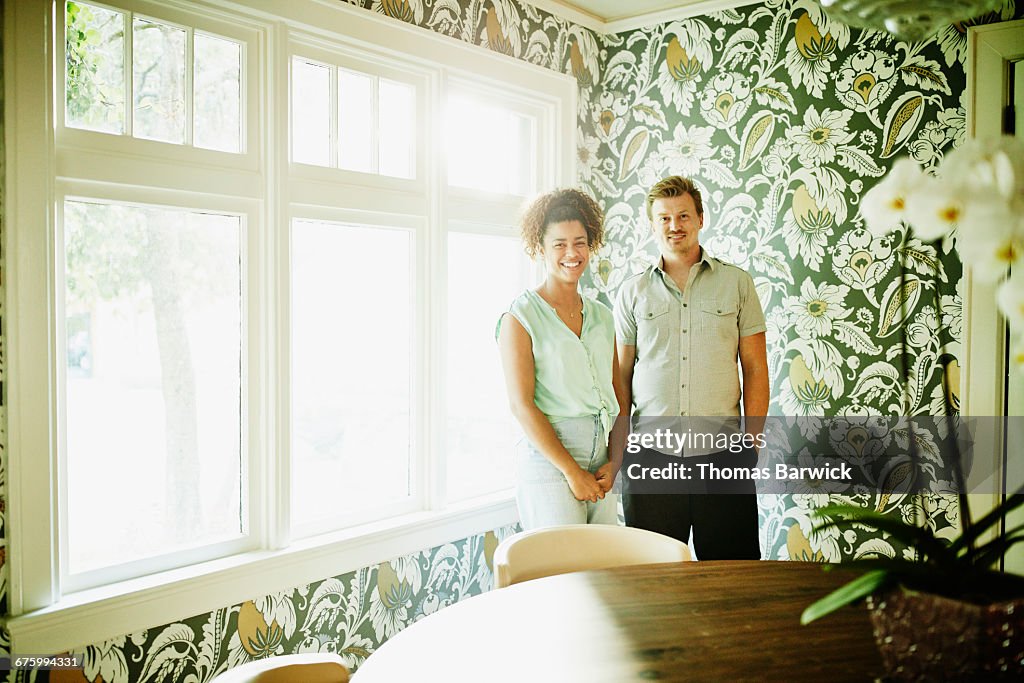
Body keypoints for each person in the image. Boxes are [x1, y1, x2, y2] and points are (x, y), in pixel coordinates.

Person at [614, 176, 769, 559]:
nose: (674, 225)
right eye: (664, 218)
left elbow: (755, 366)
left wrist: (752, 440)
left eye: (683, 215)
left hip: (723, 456)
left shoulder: (737, 283)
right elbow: (621, 375)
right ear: (653, 225)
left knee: (733, 576)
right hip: (651, 459)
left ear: (701, 218)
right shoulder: (631, 292)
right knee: (653, 580)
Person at [497, 188, 629, 530]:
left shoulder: (602, 316)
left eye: (580, 242)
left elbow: (620, 398)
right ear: (540, 249)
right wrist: (571, 471)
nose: (572, 253)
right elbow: (522, 406)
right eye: (559, 244)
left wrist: (615, 461)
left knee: (602, 574)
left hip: (602, 461)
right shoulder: (520, 317)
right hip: (550, 463)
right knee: (563, 575)